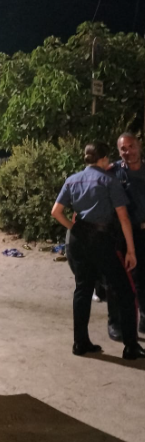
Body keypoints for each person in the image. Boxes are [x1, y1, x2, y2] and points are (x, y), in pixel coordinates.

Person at [51, 141, 145, 360]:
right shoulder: (109, 181)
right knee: (125, 291)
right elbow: (123, 217)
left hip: (79, 239)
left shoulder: (72, 180)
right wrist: (131, 250)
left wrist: (73, 227)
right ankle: (130, 346)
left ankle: (80, 342)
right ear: (103, 159)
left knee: (83, 289)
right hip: (101, 239)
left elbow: (56, 211)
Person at [104, 132, 145, 341]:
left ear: (139, 146)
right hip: (122, 234)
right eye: (123, 149)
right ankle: (115, 323)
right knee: (119, 279)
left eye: (131, 146)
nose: (128, 152)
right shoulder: (113, 172)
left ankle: (144, 318)